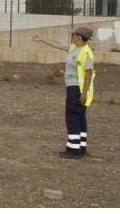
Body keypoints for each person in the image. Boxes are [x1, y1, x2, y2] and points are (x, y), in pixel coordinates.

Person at [33, 28, 96, 159]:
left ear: (79, 37)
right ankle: (81, 147)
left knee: (72, 117)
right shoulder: (73, 48)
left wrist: (83, 93)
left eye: (73, 35)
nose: (71, 36)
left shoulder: (86, 52)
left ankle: (73, 150)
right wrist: (42, 39)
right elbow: (57, 44)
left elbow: (89, 73)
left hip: (77, 88)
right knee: (80, 117)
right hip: (74, 87)